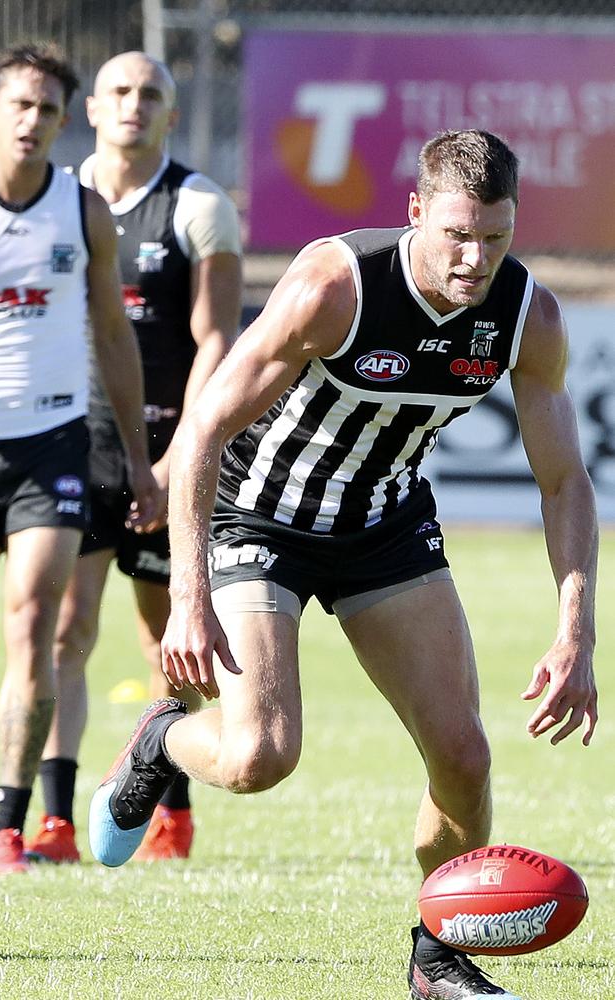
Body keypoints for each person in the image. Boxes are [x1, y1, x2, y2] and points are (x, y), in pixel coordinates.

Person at [89, 130, 598, 998]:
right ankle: (162, 738)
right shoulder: (336, 286)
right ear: (415, 215)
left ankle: (438, 960)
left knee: (465, 758)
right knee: (258, 756)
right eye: (457, 235)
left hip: (383, 525)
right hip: (262, 515)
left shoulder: (526, 316)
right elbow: (206, 425)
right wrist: (187, 592)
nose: (476, 259)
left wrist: (576, 632)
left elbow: (563, 482)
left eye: (497, 237)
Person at [24, 51, 242, 865]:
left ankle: (169, 809)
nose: (133, 105)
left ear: (172, 115)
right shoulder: (55, 197)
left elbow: (215, 341)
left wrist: (181, 456)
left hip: (165, 449)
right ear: (92, 109)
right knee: (63, 629)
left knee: (166, 638)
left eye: (151, 94)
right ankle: (53, 821)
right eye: (117, 90)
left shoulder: (199, 205)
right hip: (70, 451)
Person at [0, 44, 158, 874]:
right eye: (21, 105)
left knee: (35, 624)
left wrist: (143, 461)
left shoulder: (80, 213)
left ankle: (11, 824)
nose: (33, 121)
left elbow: (114, 334)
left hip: (53, 445)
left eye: (47, 110)